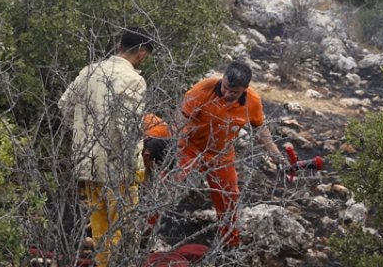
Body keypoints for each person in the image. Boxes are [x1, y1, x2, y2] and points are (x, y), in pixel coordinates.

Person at [58, 30, 154, 267]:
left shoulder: (89, 70)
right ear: (142, 54)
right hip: (117, 167)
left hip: (87, 163)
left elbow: (65, 106)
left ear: (119, 45)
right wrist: (137, 167)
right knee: (123, 229)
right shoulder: (133, 80)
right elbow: (127, 129)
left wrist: (84, 132)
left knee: (100, 228)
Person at [177, 61, 287, 249]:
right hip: (191, 147)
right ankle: (146, 234)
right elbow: (180, 120)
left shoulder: (252, 101)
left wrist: (276, 155)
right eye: (225, 88)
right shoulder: (203, 89)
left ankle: (229, 246)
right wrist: (174, 147)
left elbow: (260, 129)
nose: (227, 94)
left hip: (221, 154)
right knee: (168, 186)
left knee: (229, 199)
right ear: (223, 79)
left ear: (244, 89)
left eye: (234, 92)